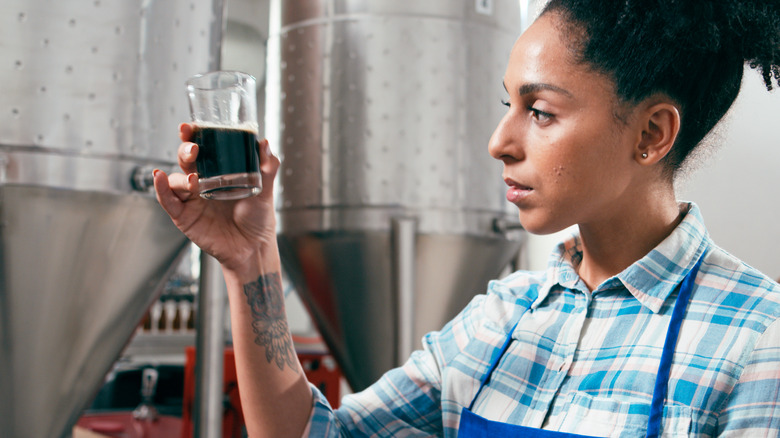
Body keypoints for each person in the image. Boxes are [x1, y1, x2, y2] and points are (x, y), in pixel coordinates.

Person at [154, 0, 780, 436]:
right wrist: (251, 258)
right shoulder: (500, 320)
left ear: (650, 133)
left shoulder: (757, 342)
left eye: (540, 112)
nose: (499, 141)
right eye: (509, 103)